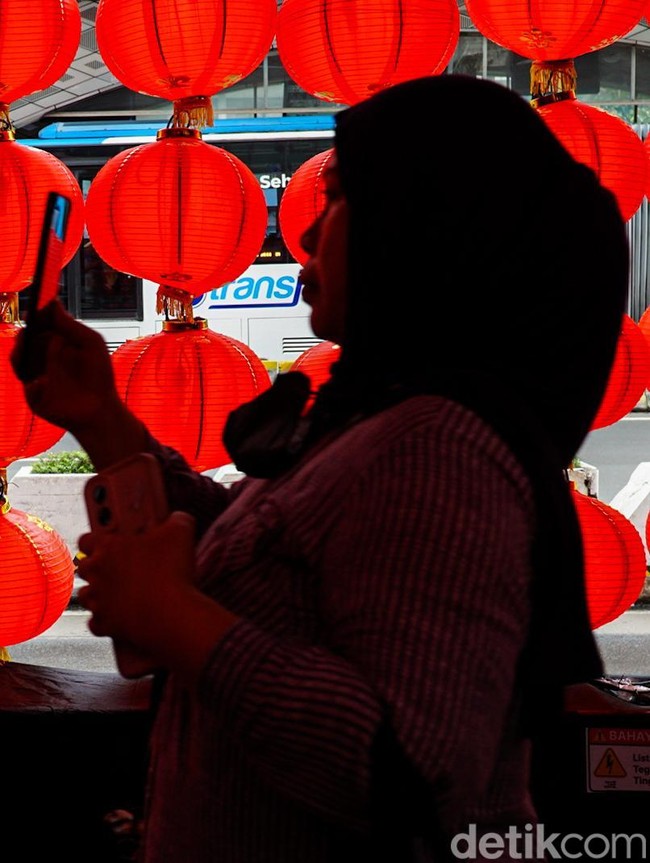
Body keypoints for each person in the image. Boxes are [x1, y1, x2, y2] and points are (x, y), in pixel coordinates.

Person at [11, 74, 628, 862]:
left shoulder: (441, 451)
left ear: (418, 228)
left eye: (337, 199)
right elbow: (251, 541)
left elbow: (415, 778)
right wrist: (101, 415)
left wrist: (173, 616)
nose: (303, 238)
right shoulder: (376, 415)